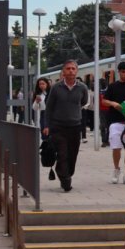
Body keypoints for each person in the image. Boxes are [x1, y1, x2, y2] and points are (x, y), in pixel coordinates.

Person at [43, 60, 90, 192]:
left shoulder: (82, 88)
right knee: (62, 153)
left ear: (77, 71)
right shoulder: (56, 88)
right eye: (68, 68)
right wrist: (47, 125)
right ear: (63, 71)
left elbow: (84, 102)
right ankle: (65, 180)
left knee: (72, 154)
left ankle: (66, 173)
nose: (71, 71)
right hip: (58, 127)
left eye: (73, 69)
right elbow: (49, 108)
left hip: (75, 126)